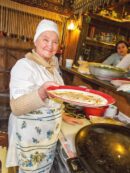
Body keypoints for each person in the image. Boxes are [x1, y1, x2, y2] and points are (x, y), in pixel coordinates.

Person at [6, 19, 82, 173]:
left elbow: (54, 101)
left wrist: (63, 115)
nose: (50, 45)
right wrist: (41, 93)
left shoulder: (53, 68)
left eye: (55, 42)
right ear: (36, 41)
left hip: (48, 138)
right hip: (29, 139)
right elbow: (16, 107)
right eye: (45, 39)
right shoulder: (24, 66)